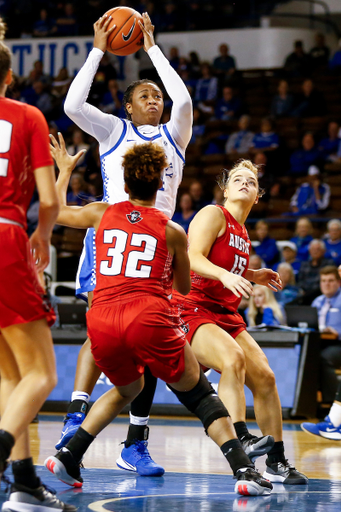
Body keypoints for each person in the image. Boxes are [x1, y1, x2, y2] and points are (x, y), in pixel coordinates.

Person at [45, 140, 272, 497]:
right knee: (199, 394)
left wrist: (66, 171)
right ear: (159, 185)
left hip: (101, 318)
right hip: (147, 316)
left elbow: (54, 210)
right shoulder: (171, 230)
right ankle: (243, 469)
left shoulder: (102, 212)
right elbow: (183, 286)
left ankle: (69, 454)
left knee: (127, 388)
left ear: (126, 179)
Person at [55, 12, 193, 477]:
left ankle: (135, 441)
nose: (155, 101)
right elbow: (75, 106)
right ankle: (77, 412)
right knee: (105, 326)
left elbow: (184, 98)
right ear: (128, 108)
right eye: (145, 96)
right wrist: (97, 49)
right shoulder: (115, 132)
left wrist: (151, 46)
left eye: (157, 96)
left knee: (152, 341)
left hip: (158, 242)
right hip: (113, 236)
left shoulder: (176, 136)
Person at [172, 160, 307, 485]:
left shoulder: (243, 232)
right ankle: (242, 441)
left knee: (266, 377)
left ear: (259, 196)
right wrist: (226, 275)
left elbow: (224, 262)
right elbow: (193, 258)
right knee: (233, 359)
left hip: (224, 313)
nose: (245, 182)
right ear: (226, 188)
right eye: (238, 178)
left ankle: (276, 460)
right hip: (193, 307)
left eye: (251, 180)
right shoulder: (212, 214)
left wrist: (251, 274)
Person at [0, 19, 75, 512]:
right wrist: (43, 235)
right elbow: (48, 200)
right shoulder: (27, 115)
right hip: (5, 235)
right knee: (43, 375)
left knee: (10, 375)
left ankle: (24, 483)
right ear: (9, 75)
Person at [311, 266, 341, 403]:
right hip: (319, 342)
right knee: (306, 357)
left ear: (338, 282)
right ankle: (308, 405)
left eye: (330, 280)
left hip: (338, 344)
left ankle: (331, 405)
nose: (326, 284)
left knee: (323, 358)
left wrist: (338, 332)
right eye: (323, 281)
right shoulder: (317, 302)